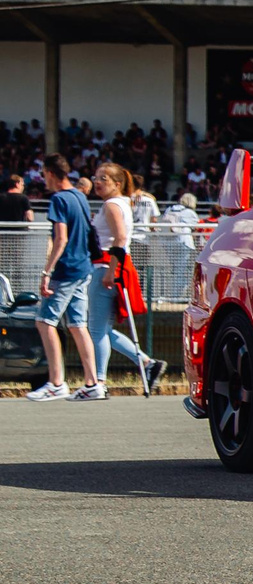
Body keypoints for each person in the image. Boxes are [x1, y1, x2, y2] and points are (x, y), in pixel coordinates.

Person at [87, 162, 167, 394]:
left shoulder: (112, 205)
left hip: (107, 265)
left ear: (117, 183)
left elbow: (120, 238)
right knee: (102, 327)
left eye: (103, 178)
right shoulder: (121, 203)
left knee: (97, 329)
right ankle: (146, 363)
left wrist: (111, 270)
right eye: (96, 177)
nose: (97, 182)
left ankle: (99, 382)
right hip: (113, 265)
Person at [29, 154, 104, 402]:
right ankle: (92, 383)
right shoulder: (79, 196)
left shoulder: (59, 199)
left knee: (45, 321)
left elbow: (60, 238)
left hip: (67, 269)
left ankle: (56, 382)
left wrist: (46, 272)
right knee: (77, 325)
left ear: (50, 173)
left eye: (44, 175)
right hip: (84, 267)